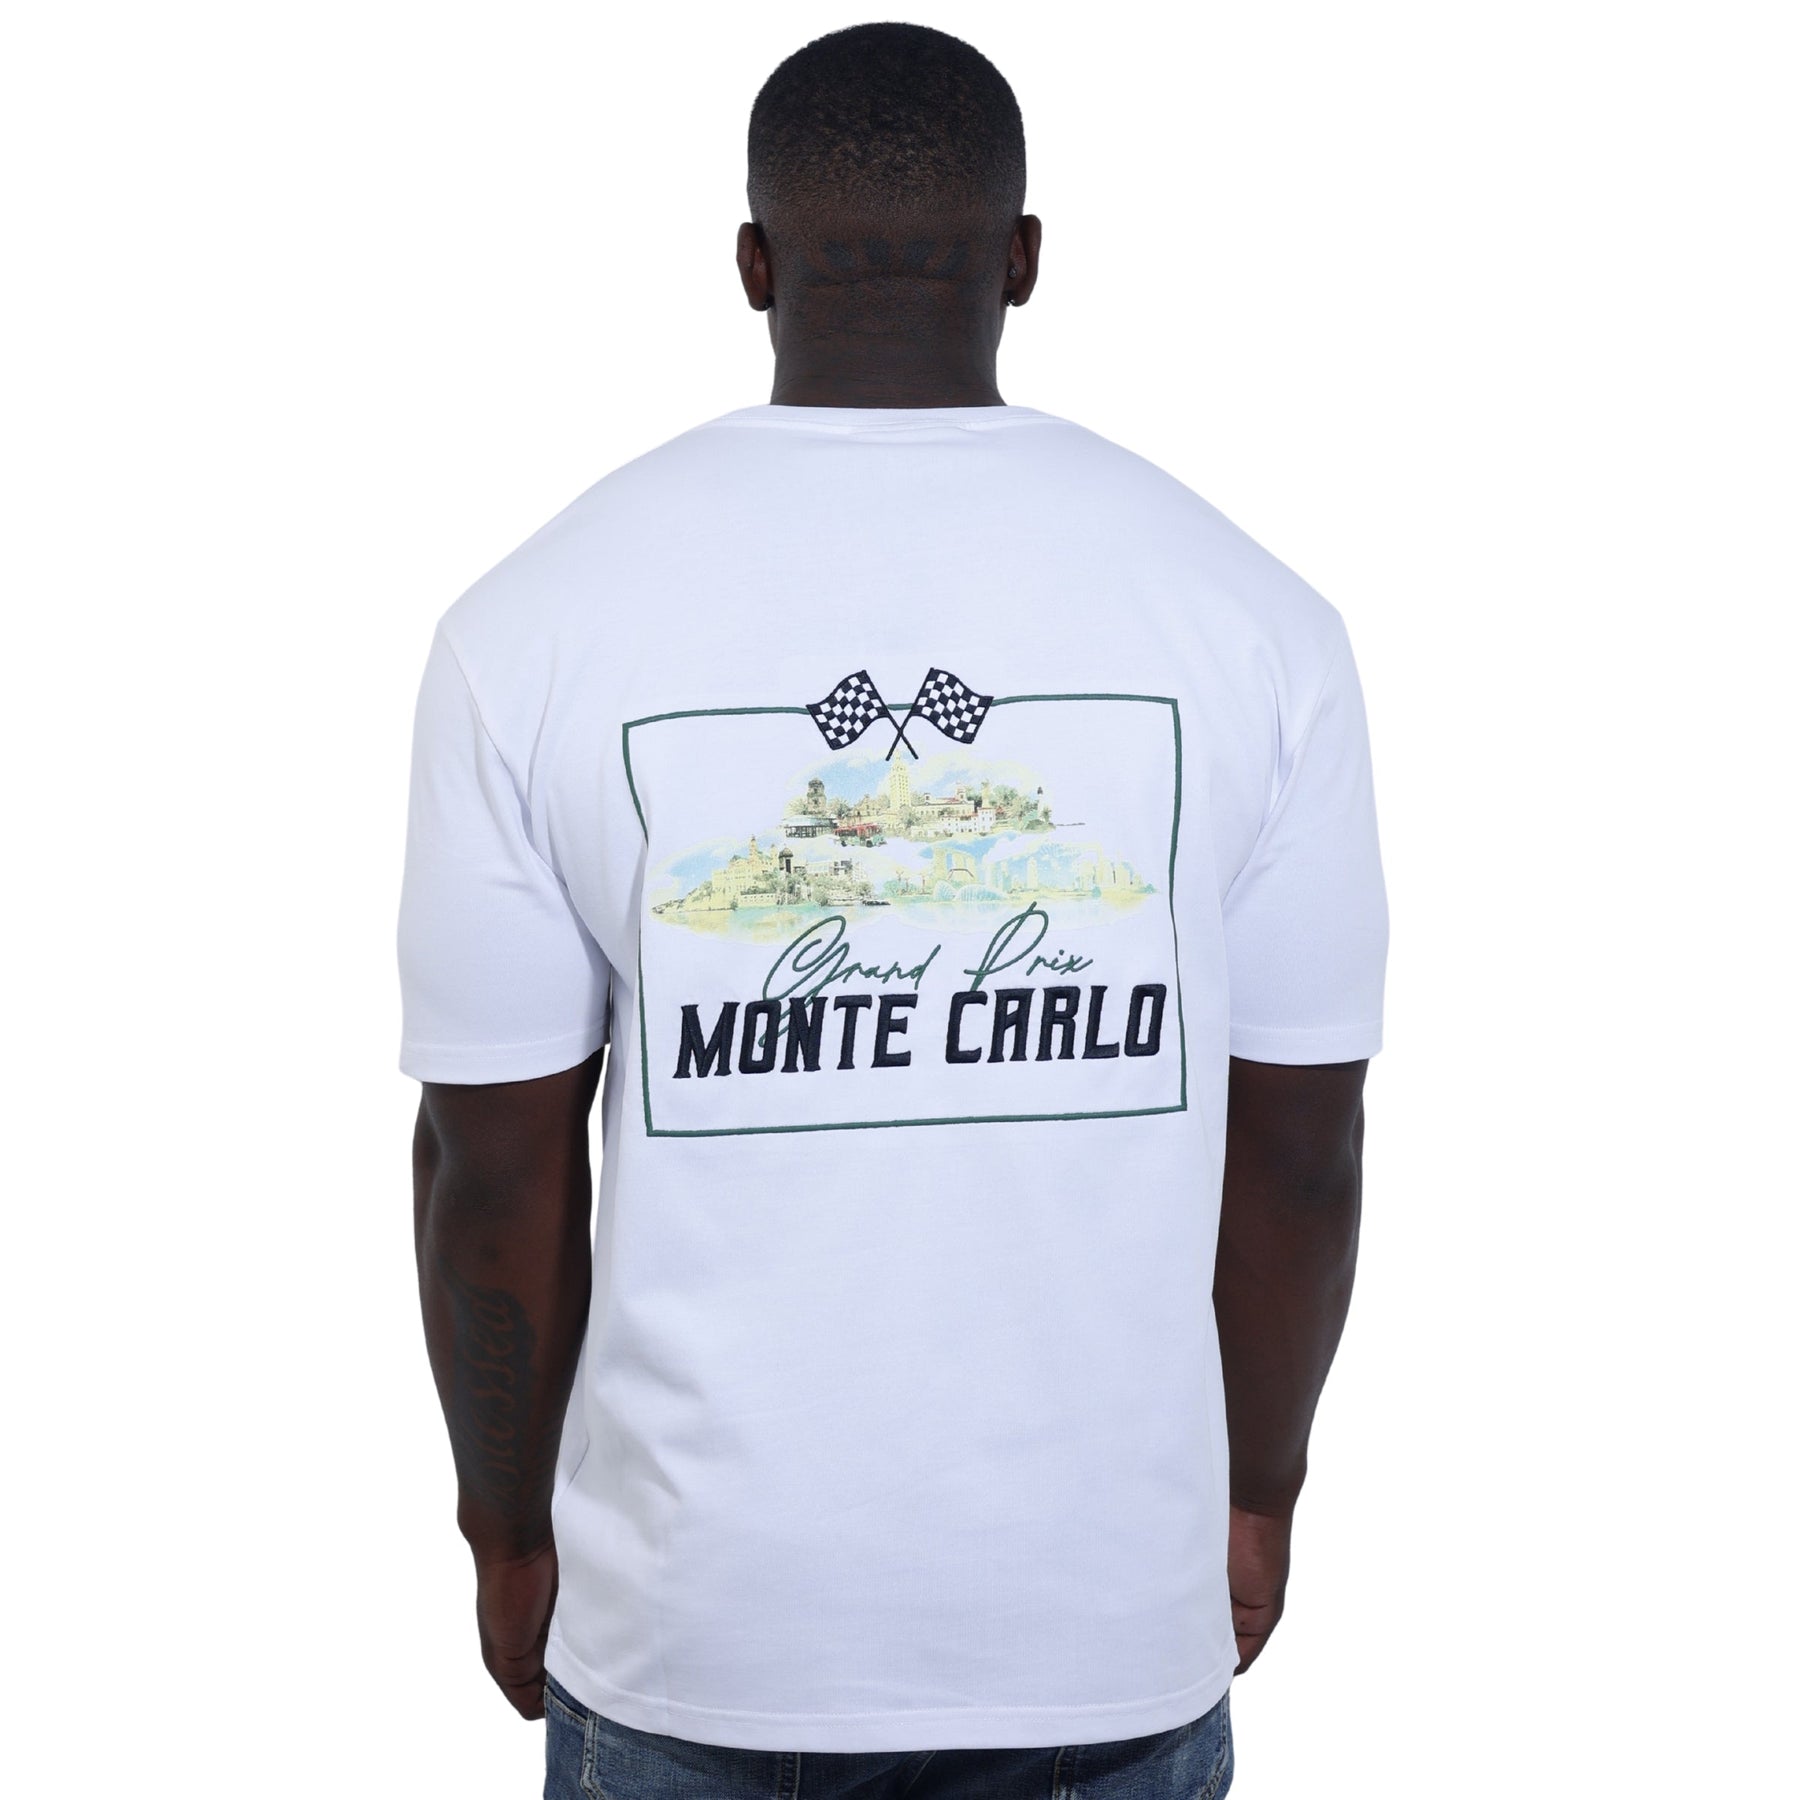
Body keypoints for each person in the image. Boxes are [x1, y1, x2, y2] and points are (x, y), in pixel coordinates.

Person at [400, 23, 1386, 1799]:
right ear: (1025, 259)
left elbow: (495, 1166)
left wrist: (506, 1527)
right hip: (1102, 1637)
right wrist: (1258, 1489)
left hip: (695, 1638)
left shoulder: (531, 624)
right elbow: (1302, 1148)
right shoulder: (1255, 620)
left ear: (750, 264)